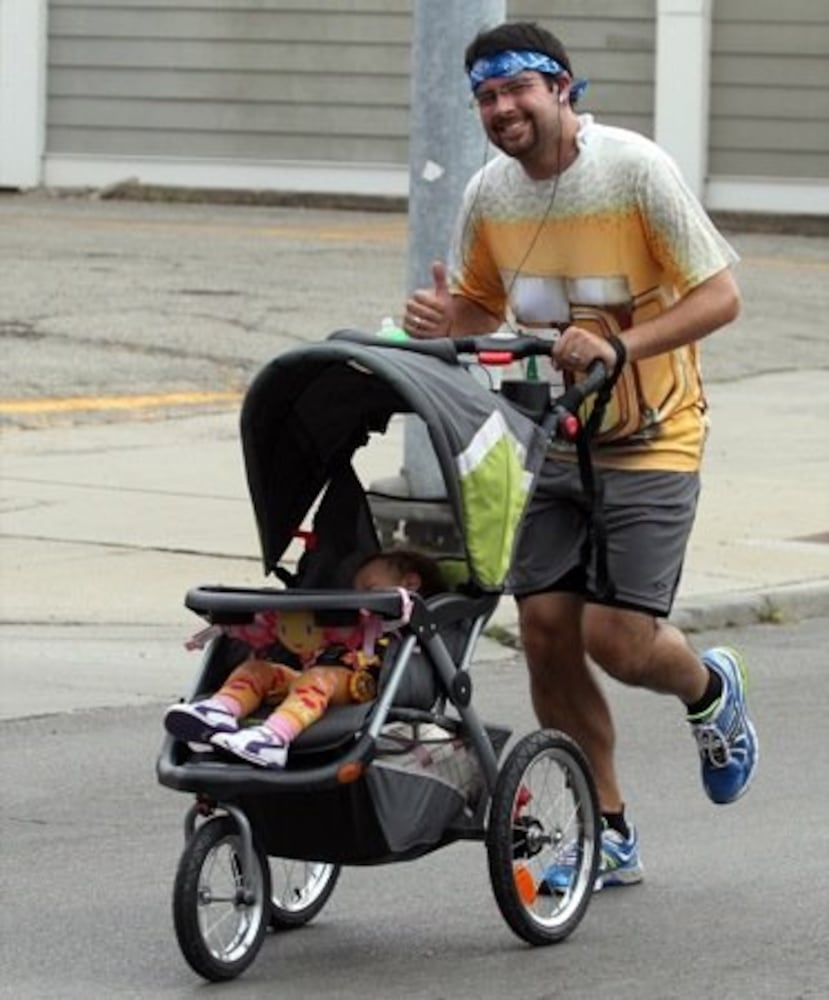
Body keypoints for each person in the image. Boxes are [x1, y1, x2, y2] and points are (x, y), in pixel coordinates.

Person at [402, 21, 758, 889]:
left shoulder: (632, 169)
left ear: (562, 87)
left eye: (514, 89)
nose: (499, 109)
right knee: (547, 633)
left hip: (651, 434)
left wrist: (614, 346)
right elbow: (482, 308)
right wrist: (442, 325)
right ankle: (606, 828)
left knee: (619, 641)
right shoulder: (491, 193)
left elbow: (720, 296)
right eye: (484, 97)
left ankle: (707, 691)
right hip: (555, 438)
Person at [164, 549, 444, 768]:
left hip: (358, 687)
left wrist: (394, 606)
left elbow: (402, 614)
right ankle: (220, 711)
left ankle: (273, 738)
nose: (359, 599)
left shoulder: (401, 630)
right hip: (315, 683)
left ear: (409, 585)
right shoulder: (343, 625)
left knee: (316, 678)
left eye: (368, 589)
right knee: (259, 669)